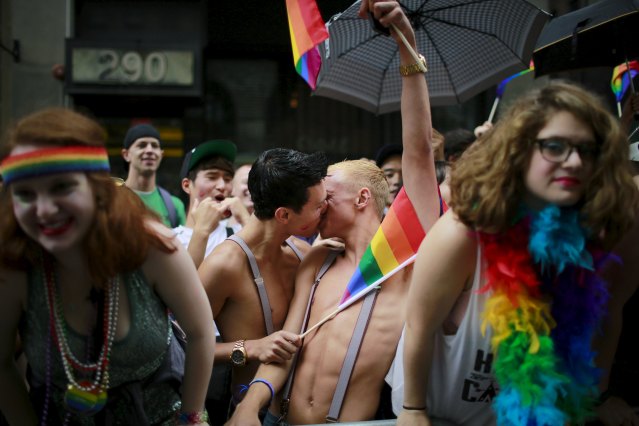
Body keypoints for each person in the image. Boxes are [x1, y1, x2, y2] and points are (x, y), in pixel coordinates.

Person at [227, 1, 441, 424]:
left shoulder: (408, 265)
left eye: (327, 191)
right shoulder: (316, 261)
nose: (317, 202)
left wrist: (405, 43)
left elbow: (417, 153)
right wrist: (248, 407)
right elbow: (284, 350)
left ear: (363, 198)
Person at [393, 81, 638, 426]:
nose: (574, 161)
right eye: (555, 146)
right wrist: (413, 410)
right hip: (438, 417)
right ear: (519, 151)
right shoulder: (463, 233)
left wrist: (595, 399)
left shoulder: (584, 238)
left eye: (588, 149)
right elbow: (419, 324)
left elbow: (605, 318)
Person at [0, 108, 215, 425]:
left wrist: (192, 417)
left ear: (98, 189)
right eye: (26, 194)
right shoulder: (14, 263)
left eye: (62, 187)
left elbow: (200, 332)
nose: (44, 210)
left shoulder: (150, 245)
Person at [198, 147, 328, 414]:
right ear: (284, 215)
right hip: (251, 413)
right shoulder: (224, 265)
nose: (326, 210)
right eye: (318, 206)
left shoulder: (301, 252)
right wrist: (251, 348)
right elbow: (183, 348)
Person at [174, 140, 249, 268]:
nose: (222, 186)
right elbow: (182, 286)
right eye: (212, 177)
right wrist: (202, 230)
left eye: (227, 179)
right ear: (187, 185)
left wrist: (245, 217)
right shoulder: (171, 240)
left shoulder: (239, 233)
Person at [122, 123, 186, 228]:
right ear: (126, 155)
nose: (149, 150)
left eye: (155, 146)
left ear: (161, 154)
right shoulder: (113, 199)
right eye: (142, 145)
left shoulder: (174, 206)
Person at [227, 163, 254, 233]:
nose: (254, 188)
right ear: (232, 188)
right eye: (247, 182)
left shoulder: (273, 226)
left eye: (258, 184)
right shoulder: (217, 229)